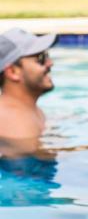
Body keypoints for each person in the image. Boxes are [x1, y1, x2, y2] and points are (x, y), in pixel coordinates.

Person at [0, 28, 57, 156]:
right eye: (41, 59)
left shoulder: (26, 110)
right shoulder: (13, 121)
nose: (50, 63)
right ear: (13, 72)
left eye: (47, 56)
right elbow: (37, 161)